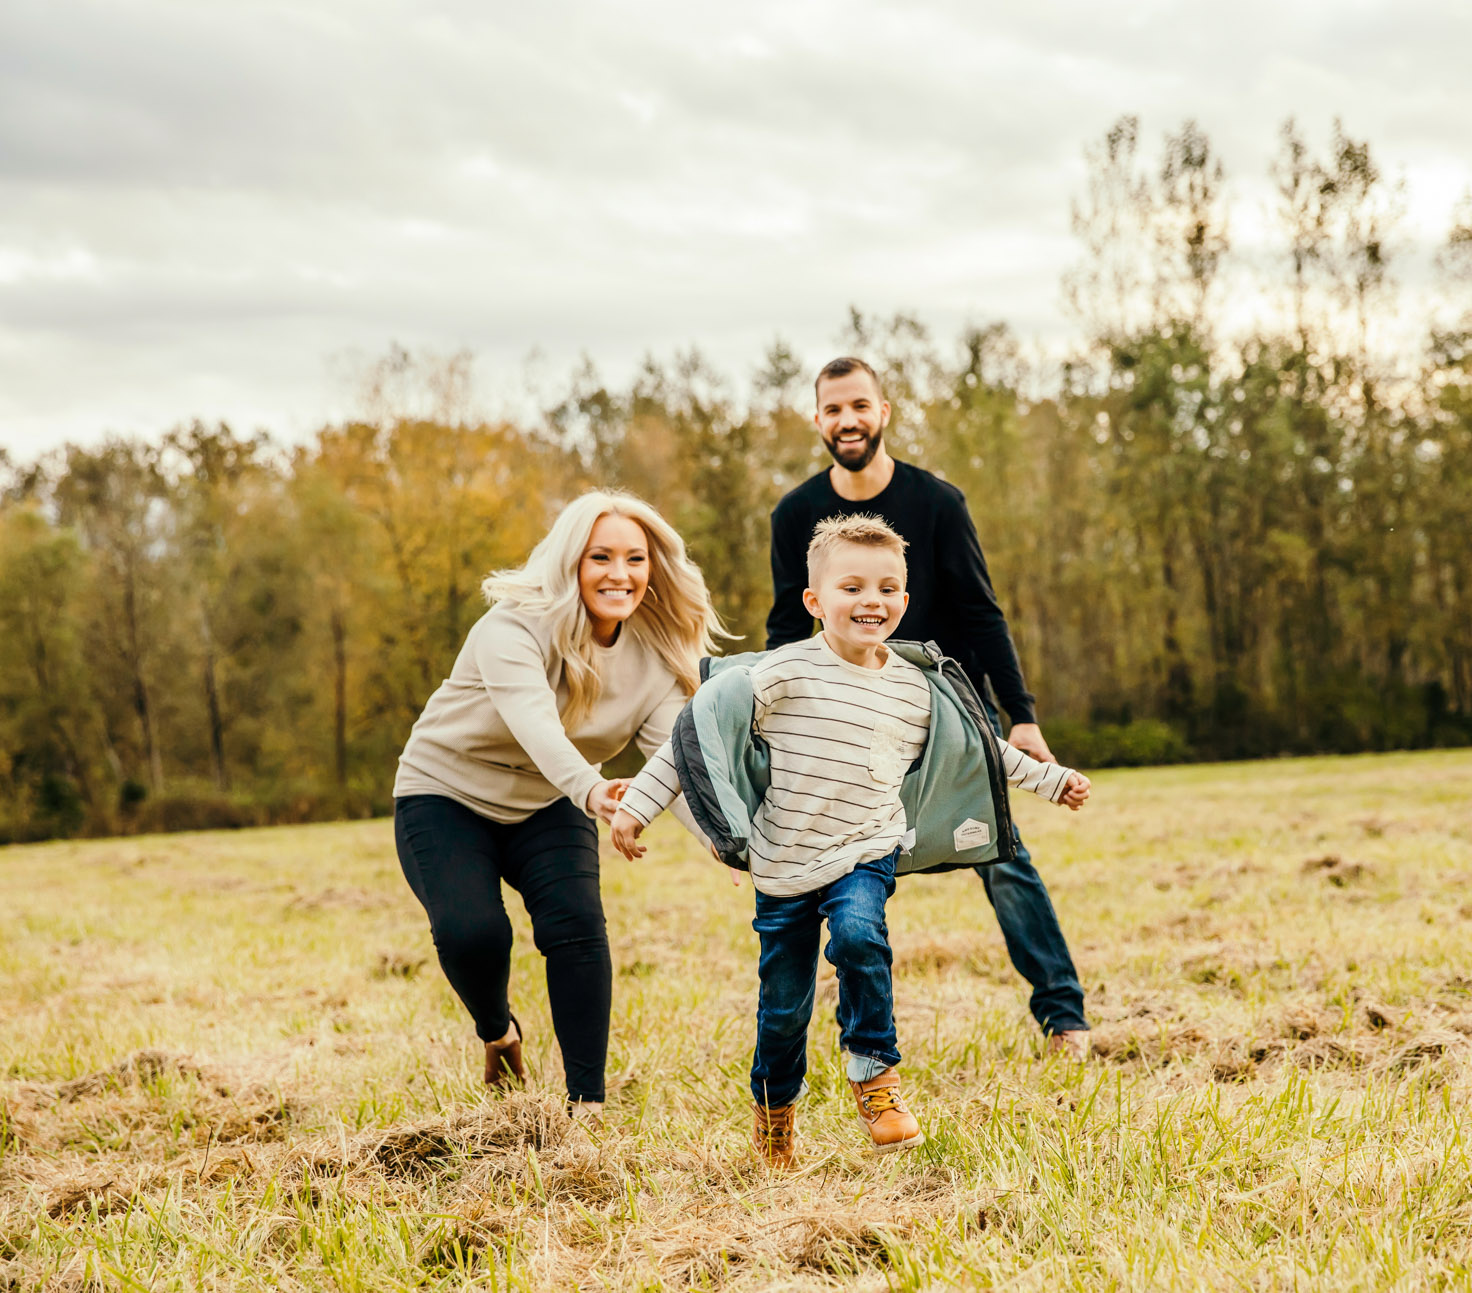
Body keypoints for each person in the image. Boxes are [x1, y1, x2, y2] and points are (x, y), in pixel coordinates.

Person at [609, 514, 1089, 1165]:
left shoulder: (916, 686)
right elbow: (698, 731)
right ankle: (775, 1115)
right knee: (783, 1010)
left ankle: (875, 1074)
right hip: (783, 865)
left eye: (888, 588)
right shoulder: (783, 672)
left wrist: (1051, 781)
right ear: (815, 601)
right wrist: (636, 808)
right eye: (853, 587)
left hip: (866, 851)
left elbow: (980, 748)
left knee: (861, 936)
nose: (872, 601)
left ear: (905, 600)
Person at [765, 356, 1095, 1058]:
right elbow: (783, 628)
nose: (847, 420)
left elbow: (982, 613)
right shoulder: (794, 515)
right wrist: (763, 732)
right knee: (833, 873)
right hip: (839, 714)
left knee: (1004, 856)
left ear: (884, 412)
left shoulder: (939, 503)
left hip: (943, 707)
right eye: (833, 409)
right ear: (817, 420)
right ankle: (845, 1036)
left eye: (859, 405)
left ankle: (1064, 1017)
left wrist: (1021, 713)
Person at [391, 490, 726, 1115]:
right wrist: (595, 790)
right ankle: (498, 1030)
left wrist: (722, 841)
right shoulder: (512, 628)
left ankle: (586, 1107)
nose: (619, 574)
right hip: (446, 793)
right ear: (571, 561)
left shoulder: (655, 658)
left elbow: (674, 763)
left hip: (553, 803)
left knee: (577, 929)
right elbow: (535, 722)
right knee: (472, 933)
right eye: (601, 556)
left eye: (634, 559)